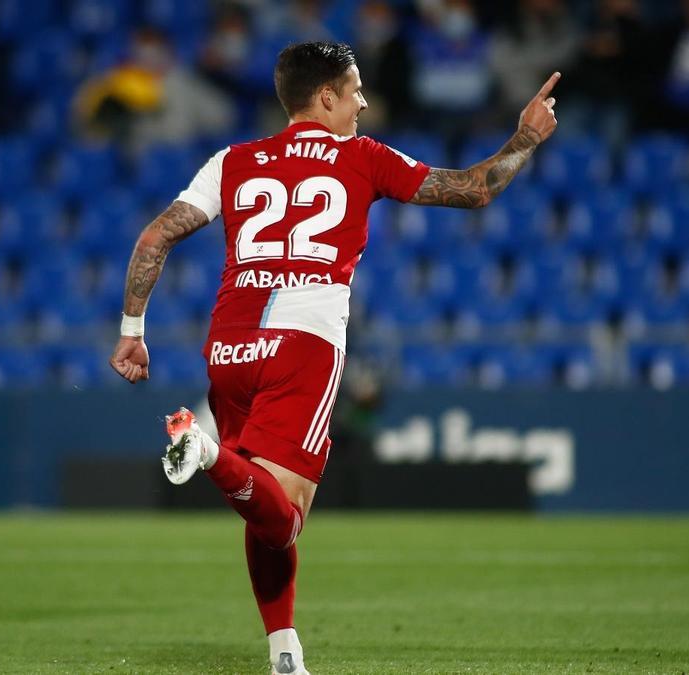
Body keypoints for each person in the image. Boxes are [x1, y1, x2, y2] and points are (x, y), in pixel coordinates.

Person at [109, 42, 559, 674]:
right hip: (303, 342)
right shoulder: (362, 157)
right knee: (285, 518)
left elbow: (154, 235)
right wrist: (525, 139)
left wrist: (133, 329)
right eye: (354, 91)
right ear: (326, 97)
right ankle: (208, 451)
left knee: (262, 499)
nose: (363, 103)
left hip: (230, 344)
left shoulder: (233, 161)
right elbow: (472, 190)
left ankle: (284, 651)